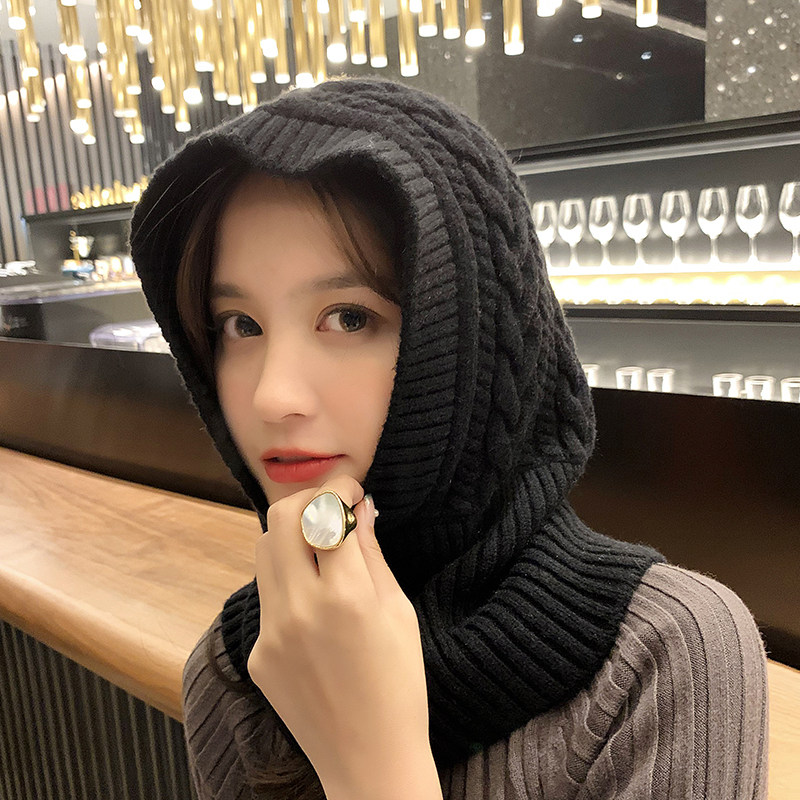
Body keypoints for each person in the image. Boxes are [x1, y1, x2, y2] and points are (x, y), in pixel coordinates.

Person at [130, 78, 768, 800]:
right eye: (240, 326)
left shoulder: (667, 658)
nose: (272, 396)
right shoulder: (236, 665)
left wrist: (371, 767)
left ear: (471, 336)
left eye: (349, 317)